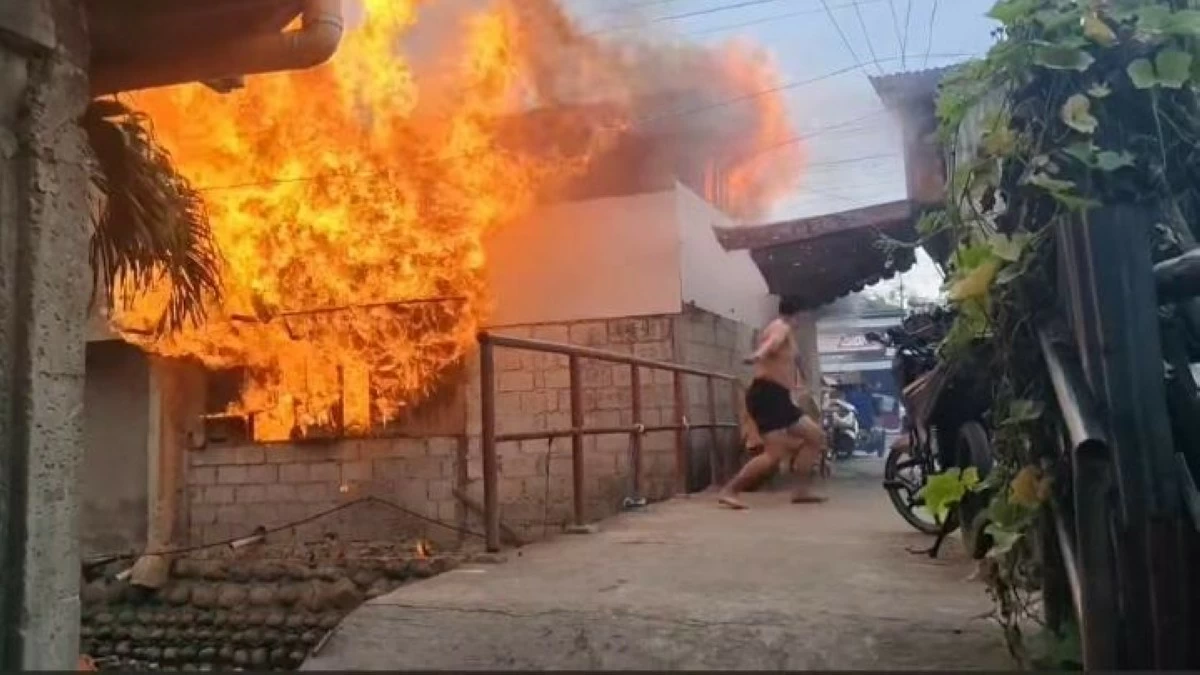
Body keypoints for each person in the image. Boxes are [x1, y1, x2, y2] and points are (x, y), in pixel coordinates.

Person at [718, 297, 828, 509]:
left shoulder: (785, 331)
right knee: (774, 454)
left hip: (779, 398)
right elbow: (772, 344)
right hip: (766, 396)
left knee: (815, 437)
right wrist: (757, 356)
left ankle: (801, 491)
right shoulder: (781, 327)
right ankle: (729, 490)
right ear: (800, 315)